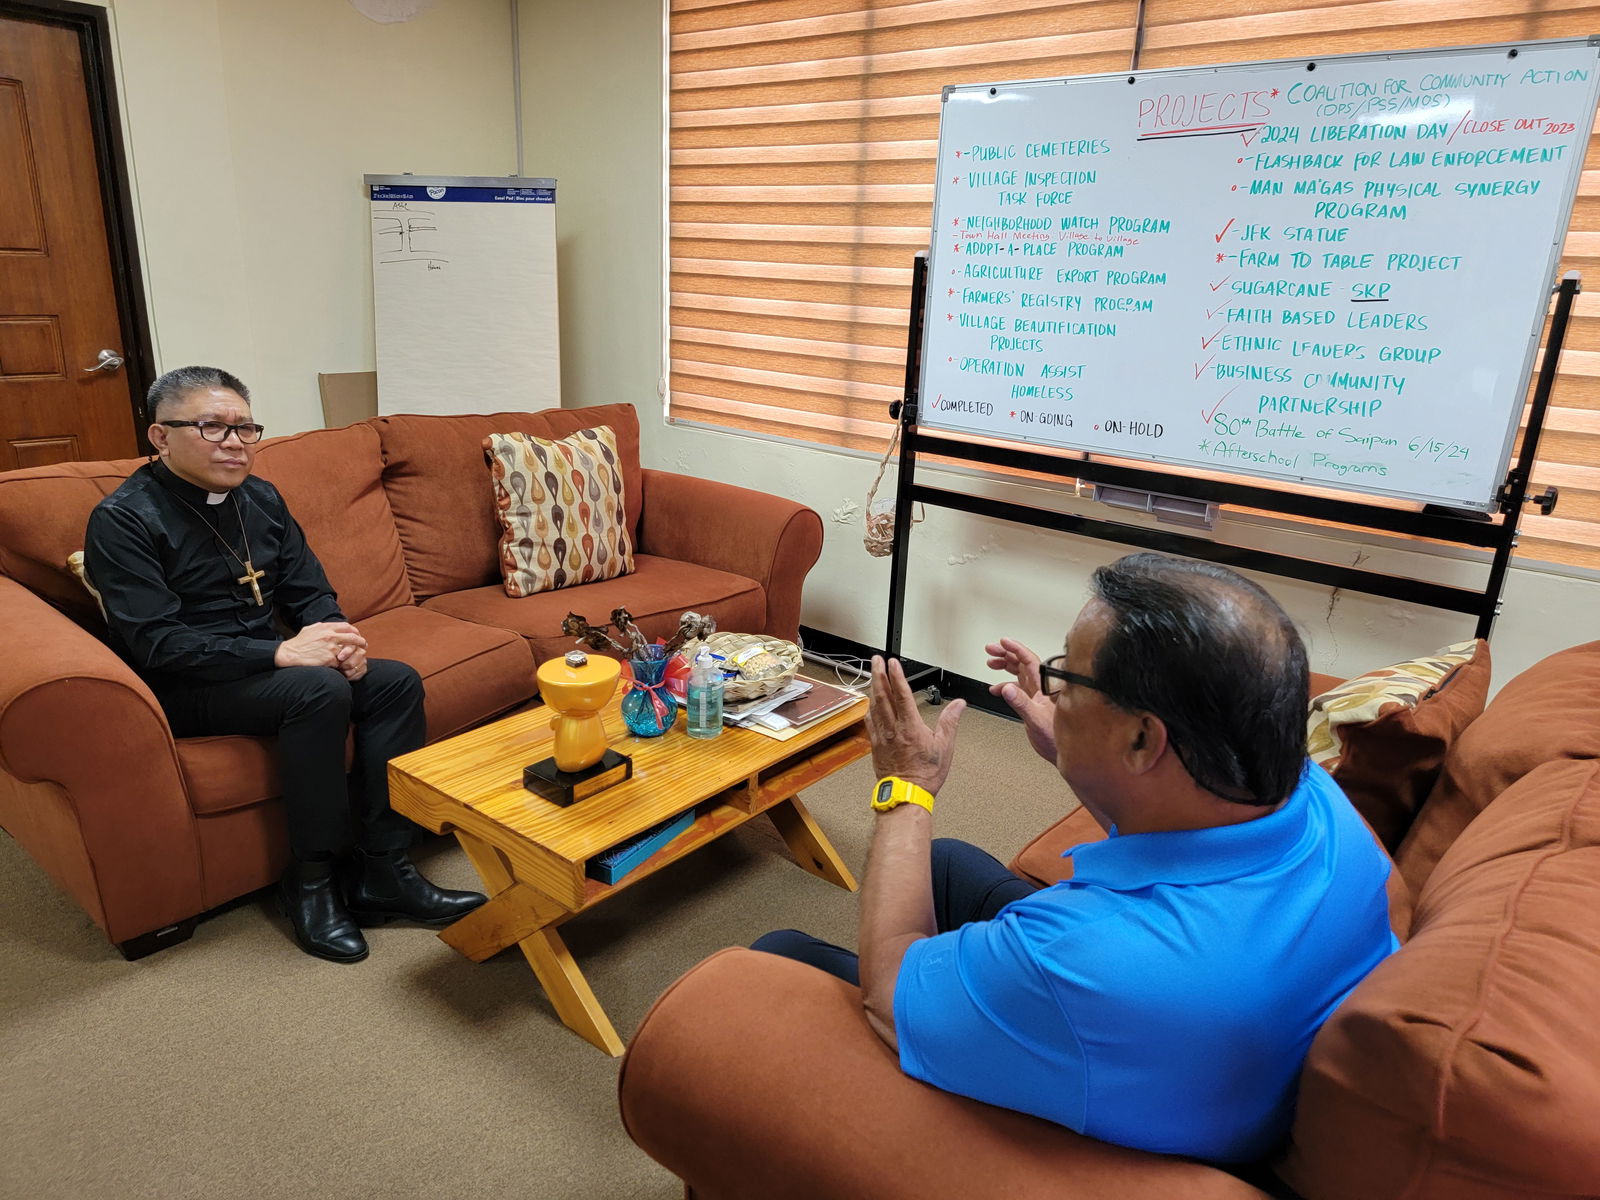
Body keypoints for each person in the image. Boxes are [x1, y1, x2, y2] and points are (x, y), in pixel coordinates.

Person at [753, 552, 1398, 1163]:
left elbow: (885, 993)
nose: (1053, 691)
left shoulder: (1084, 958)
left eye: (1069, 678)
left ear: (1144, 738)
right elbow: (1175, 818)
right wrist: (1076, 747)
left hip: (1127, 1071)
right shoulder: (1310, 794)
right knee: (942, 863)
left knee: (780, 953)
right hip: (1211, 1037)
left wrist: (906, 784)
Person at [83, 366, 485, 964]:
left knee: (395, 681)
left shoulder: (260, 498)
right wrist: (282, 652)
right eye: (212, 427)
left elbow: (308, 589)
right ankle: (313, 879)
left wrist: (340, 637)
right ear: (160, 437)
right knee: (315, 692)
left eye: (245, 428)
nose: (235, 443)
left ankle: (384, 867)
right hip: (187, 685)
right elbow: (158, 643)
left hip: (268, 670)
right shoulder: (123, 520)